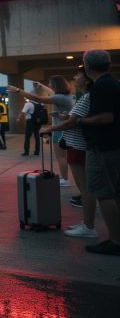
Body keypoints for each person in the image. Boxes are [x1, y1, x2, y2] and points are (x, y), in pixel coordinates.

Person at [40, 69, 97, 238]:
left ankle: (89, 227)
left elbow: (73, 123)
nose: (74, 78)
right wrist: (65, 117)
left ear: (86, 81)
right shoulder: (84, 97)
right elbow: (74, 120)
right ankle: (87, 223)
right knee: (83, 187)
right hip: (76, 145)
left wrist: (50, 128)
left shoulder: (86, 98)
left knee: (85, 188)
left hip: (78, 147)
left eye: (78, 76)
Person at [76, 49, 120, 255]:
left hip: (103, 147)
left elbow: (106, 117)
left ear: (88, 66)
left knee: (104, 193)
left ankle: (115, 240)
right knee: (114, 191)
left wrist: (82, 120)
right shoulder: (111, 83)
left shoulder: (101, 87)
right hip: (112, 145)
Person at [8, 76, 74, 186]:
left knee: (61, 157)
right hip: (64, 129)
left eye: (51, 83)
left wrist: (18, 90)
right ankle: (64, 178)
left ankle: (65, 179)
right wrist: (41, 85)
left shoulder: (59, 97)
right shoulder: (66, 96)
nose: (50, 86)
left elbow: (38, 99)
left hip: (60, 130)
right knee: (63, 156)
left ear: (56, 85)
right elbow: (51, 92)